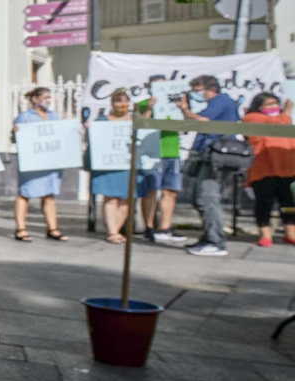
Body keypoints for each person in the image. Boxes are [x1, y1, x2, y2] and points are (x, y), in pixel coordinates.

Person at [179, 75, 244, 256]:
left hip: (215, 157)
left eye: (197, 90)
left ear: (209, 88)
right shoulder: (216, 104)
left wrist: (185, 108)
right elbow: (196, 120)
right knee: (196, 196)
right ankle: (210, 236)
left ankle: (217, 241)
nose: (196, 94)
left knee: (208, 198)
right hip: (205, 155)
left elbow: (203, 121)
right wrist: (185, 110)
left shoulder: (221, 101)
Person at [86, 89, 151, 244]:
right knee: (110, 198)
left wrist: (148, 107)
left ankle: (116, 228)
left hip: (129, 166)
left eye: (125, 100)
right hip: (109, 166)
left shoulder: (134, 120)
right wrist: (89, 129)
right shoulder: (102, 121)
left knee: (127, 200)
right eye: (118, 100)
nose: (122, 104)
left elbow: (145, 128)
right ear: (112, 103)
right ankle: (112, 231)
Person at [136, 74, 189, 245]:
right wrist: (150, 107)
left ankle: (165, 227)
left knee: (170, 190)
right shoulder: (142, 104)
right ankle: (149, 227)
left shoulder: (175, 105)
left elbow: (187, 124)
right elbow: (142, 125)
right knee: (151, 190)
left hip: (172, 150)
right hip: (152, 153)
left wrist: (183, 109)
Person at [11, 87, 69, 242]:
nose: (48, 100)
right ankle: (21, 228)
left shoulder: (54, 116)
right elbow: (17, 137)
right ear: (35, 99)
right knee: (25, 193)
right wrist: (16, 132)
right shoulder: (25, 117)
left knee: (49, 194)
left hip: (50, 162)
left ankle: (52, 228)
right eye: (45, 97)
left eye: (50, 97)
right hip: (32, 162)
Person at [243, 92, 295, 247]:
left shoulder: (282, 119)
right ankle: (266, 235)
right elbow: (276, 124)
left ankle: (290, 233)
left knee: (288, 203)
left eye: (275, 103)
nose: (273, 107)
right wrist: (286, 112)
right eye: (269, 104)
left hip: (287, 168)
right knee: (264, 202)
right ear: (258, 106)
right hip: (263, 168)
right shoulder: (251, 117)